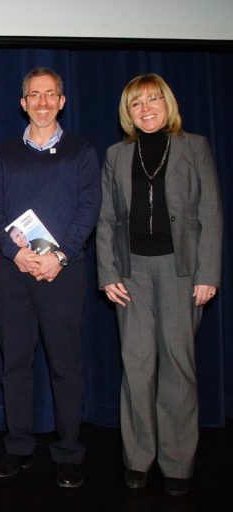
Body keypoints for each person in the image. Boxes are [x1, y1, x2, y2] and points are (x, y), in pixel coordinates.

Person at [96, 73, 222, 496]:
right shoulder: (116, 154)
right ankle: (138, 458)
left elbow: (211, 212)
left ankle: (178, 462)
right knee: (137, 367)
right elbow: (107, 219)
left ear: (167, 104)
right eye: (136, 103)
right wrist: (108, 273)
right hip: (132, 273)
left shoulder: (194, 147)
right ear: (127, 113)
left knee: (178, 368)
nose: (146, 109)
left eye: (153, 100)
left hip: (181, 271)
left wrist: (208, 273)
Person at [0, 67, 101, 488]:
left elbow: (89, 207)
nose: (43, 102)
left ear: (62, 101)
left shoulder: (82, 150)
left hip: (63, 274)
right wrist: (15, 253)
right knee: (14, 364)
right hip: (15, 275)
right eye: (35, 95)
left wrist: (61, 256)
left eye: (51, 95)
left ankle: (69, 453)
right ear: (23, 102)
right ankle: (18, 449)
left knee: (65, 365)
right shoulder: (6, 152)